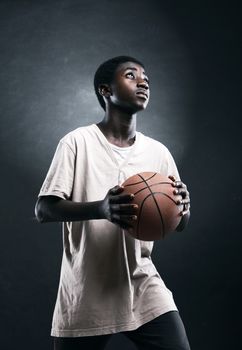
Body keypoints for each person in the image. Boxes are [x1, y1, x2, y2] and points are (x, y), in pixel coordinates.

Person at [35, 56, 191, 350]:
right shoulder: (76, 142)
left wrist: (183, 207)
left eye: (146, 77)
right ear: (106, 90)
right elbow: (44, 209)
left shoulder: (158, 153)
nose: (143, 81)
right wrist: (101, 209)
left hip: (142, 285)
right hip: (86, 291)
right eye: (131, 75)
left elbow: (180, 224)